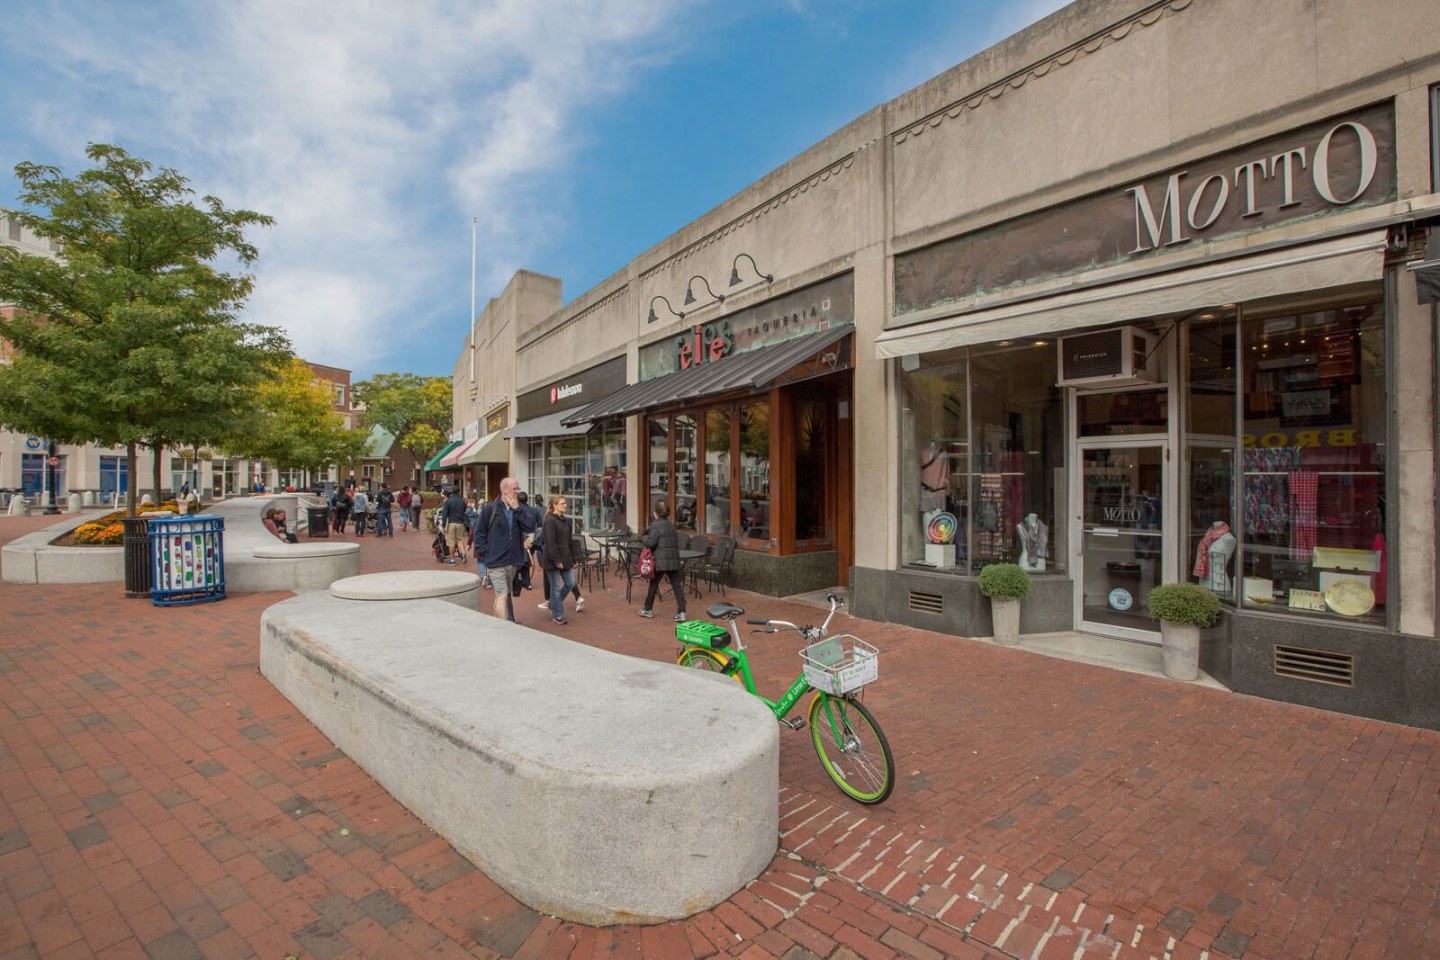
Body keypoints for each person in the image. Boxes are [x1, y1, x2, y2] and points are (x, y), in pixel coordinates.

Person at [473, 477, 536, 622]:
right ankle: (503, 629)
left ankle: (496, 623)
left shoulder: (519, 508)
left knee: (502, 594)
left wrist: (517, 509)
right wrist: (486, 553)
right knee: (502, 594)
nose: (517, 491)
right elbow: (479, 533)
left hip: (513, 561)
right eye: (514, 489)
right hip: (495, 561)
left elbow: (531, 526)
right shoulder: (490, 509)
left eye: (518, 488)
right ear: (504, 489)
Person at [638, 498, 686, 622]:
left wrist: (643, 537)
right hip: (673, 559)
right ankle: (681, 612)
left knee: (653, 584)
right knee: (677, 586)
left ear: (656, 513)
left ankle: (647, 609)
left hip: (660, 560)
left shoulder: (655, 525)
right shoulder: (671, 525)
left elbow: (651, 543)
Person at [540, 496, 577, 625]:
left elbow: (569, 541)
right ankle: (558, 615)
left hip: (566, 558)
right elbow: (551, 542)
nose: (565, 505)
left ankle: (552, 603)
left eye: (565, 503)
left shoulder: (566, 521)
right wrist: (557, 560)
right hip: (552, 560)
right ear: (554, 505)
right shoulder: (550, 520)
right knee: (555, 587)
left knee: (570, 583)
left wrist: (573, 558)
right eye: (562, 503)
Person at [439, 487, 469, 563]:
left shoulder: (448, 501)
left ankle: (452, 560)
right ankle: (463, 553)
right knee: (460, 540)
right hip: (460, 523)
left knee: (451, 542)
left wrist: (443, 525)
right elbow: (464, 511)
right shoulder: (462, 501)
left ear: (451, 492)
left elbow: (444, 514)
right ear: (459, 492)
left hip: (451, 523)